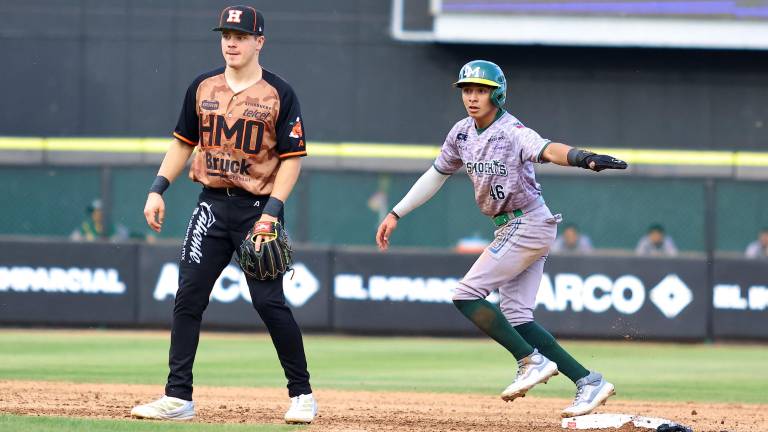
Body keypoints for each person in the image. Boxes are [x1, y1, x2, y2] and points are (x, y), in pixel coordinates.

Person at [375, 60, 626, 418]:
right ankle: (588, 381)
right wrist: (396, 212)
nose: (472, 97)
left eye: (481, 90)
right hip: (515, 225)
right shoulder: (461, 133)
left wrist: (583, 158)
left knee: (465, 295)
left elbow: (548, 149)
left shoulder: (511, 130)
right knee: (517, 317)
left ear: (498, 94)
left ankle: (530, 361)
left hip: (527, 222)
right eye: (467, 90)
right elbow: (436, 174)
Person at [131, 5, 316, 424]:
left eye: (240, 36)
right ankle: (178, 397)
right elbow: (183, 142)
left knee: (268, 303)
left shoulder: (278, 93)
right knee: (188, 298)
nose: (231, 42)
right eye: (225, 35)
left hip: (257, 210)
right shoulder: (203, 86)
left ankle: (302, 394)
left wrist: (272, 213)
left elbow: (292, 159)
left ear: (259, 42)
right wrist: (158, 189)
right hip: (211, 205)